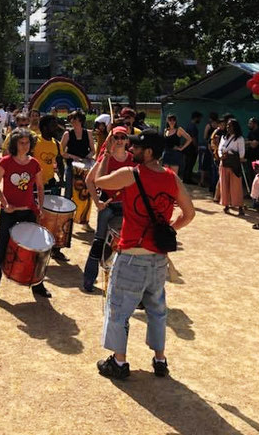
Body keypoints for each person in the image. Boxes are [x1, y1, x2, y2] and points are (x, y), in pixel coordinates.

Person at [93, 130, 195, 380]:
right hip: (158, 258)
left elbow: (99, 181)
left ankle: (118, 363)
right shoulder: (171, 178)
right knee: (157, 310)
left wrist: (106, 152)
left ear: (148, 152)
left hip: (131, 255)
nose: (131, 151)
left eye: (137, 148)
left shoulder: (130, 174)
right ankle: (160, 359)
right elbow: (189, 213)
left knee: (118, 309)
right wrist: (169, 229)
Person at [0, 127, 50, 303]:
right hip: (9, 213)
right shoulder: (5, 162)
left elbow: (40, 188)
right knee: (1, 250)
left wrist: (40, 207)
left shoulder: (34, 163)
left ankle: (38, 285)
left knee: (35, 249)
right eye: (21, 142)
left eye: (27, 142)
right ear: (15, 143)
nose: (25, 146)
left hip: (29, 212)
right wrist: (5, 204)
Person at [83, 126, 132, 292]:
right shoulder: (105, 158)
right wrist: (97, 202)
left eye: (122, 137)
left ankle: (117, 283)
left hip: (126, 207)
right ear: (111, 139)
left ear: (127, 140)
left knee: (122, 245)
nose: (119, 140)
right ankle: (89, 279)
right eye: (116, 137)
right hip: (108, 205)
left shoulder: (133, 159)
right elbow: (92, 180)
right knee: (99, 240)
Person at [60, 110, 94, 200]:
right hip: (71, 165)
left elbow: (93, 151)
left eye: (75, 120)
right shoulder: (67, 134)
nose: (73, 122)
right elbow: (61, 152)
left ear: (81, 121)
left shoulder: (89, 133)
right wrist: (72, 157)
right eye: (72, 120)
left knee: (84, 191)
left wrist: (87, 157)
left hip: (85, 167)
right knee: (68, 190)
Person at [218, 118, 245, 215]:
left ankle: (240, 206)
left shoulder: (240, 139)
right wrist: (221, 156)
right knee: (224, 184)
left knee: (236, 186)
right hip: (224, 163)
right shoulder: (223, 137)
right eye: (228, 125)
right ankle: (226, 205)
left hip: (234, 164)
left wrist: (228, 153)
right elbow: (219, 149)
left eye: (230, 125)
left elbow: (241, 154)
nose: (228, 127)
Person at [182, 111, 201, 184]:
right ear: (196, 118)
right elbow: (194, 139)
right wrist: (196, 147)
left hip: (187, 148)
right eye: (199, 118)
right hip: (191, 149)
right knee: (190, 164)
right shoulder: (193, 127)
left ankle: (185, 179)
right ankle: (188, 179)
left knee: (187, 164)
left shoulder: (189, 125)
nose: (199, 120)